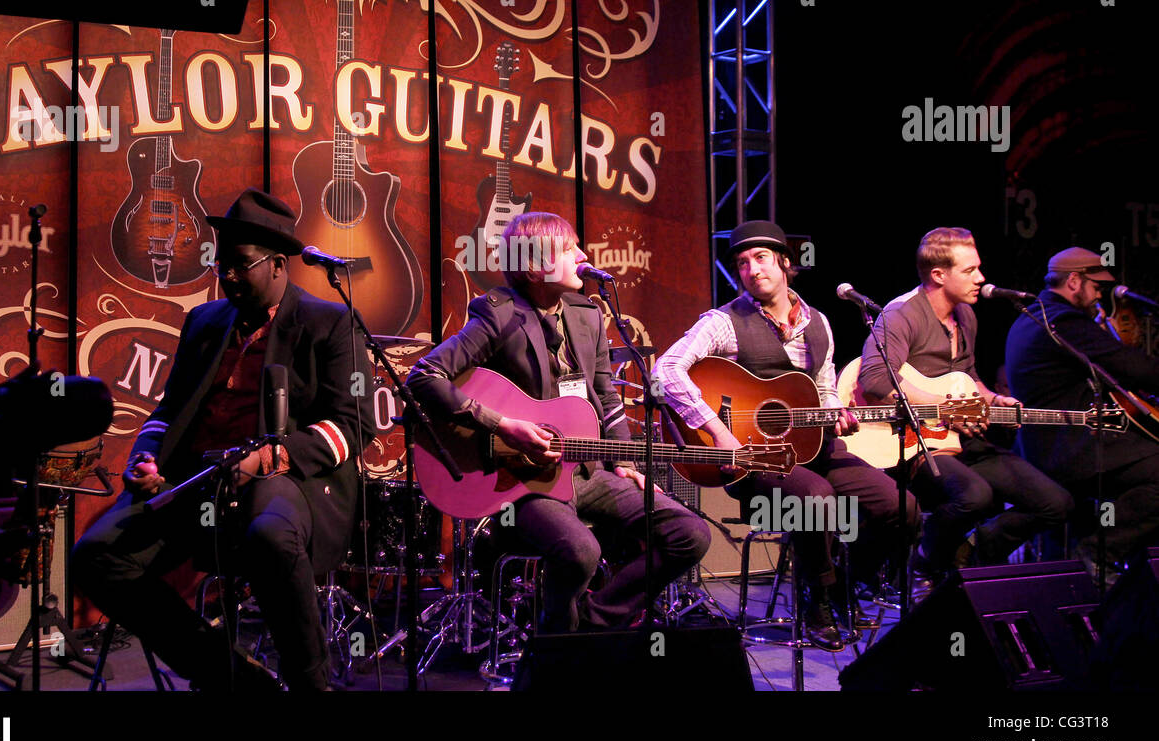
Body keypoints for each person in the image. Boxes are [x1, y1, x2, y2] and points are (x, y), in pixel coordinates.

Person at [71, 189, 373, 691]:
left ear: (278, 265)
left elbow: (353, 423)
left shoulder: (329, 323)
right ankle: (226, 674)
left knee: (270, 537)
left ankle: (310, 685)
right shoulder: (204, 322)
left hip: (286, 479)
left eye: (240, 265)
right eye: (221, 263)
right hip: (197, 479)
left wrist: (267, 458)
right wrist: (145, 456)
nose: (226, 275)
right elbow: (170, 409)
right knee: (96, 555)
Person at [407, 211, 710, 633]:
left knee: (690, 534)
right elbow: (423, 376)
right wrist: (502, 425)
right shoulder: (499, 315)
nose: (583, 256)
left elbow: (606, 396)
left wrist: (627, 463)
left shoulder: (587, 315)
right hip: (521, 482)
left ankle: (589, 625)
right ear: (533, 267)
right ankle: (556, 646)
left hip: (587, 469)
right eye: (569, 249)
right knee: (580, 551)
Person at [654, 221, 918, 651]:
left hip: (813, 446)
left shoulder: (819, 324)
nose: (751, 269)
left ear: (784, 263)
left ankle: (850, 587)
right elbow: (664, 372)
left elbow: (825, 387)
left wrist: (834, 413)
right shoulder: (723, 322)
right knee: (816, 498)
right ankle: (818, 597)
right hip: (754, 459)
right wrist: (721, 435)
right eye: (741, 263)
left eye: (760, 258)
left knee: (902, 507)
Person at [858, 227, 1073, 585]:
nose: (981, 278)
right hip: (918, 444)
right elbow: (877, 381)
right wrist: (945, 407)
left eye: (979, 269)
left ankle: (970, 554)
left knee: (1056, 503)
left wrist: (992, 399)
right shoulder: (901, 314)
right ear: (939, 275)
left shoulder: (965, 316)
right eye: (970, 270)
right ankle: (923, 560)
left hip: (965, 439)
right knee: (974, 496)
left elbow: (967, 376)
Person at [1004, 246, 1159, 580]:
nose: (1099, 296)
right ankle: (1100, 549)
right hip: (1068, 447)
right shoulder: (1064, 320)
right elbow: (1131, 367)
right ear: (1074, 281)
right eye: (1096, 286)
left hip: (1046, 446)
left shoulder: (1034, 315)